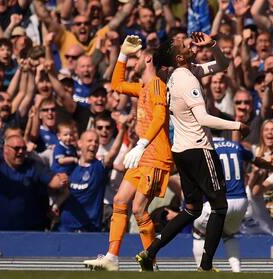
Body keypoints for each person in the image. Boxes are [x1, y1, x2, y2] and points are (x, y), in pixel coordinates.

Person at [135, 32, 249, 272]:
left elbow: (222, 65)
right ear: (178, 56)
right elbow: (203, 118)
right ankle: (206, 266)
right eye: (183, 43)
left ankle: (150, 252)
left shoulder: (184, 73)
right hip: (199, 149)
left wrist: (213, 46)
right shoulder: (187, 79)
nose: (189, 41)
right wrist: (237, 125)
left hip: (182, 151)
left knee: (192, 209)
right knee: (220, 206)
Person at [83, 35, 172, 271]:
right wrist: (121, 54)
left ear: (149, 59)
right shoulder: (144, 86)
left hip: (156, 157)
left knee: (138, 209)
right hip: (142, 157)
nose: (135, 61)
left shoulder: (157, 86)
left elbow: (161, 117)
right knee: (120, 200)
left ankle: (150, 261)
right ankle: (112, 257)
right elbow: (117, 85)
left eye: (138, 58)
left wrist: (141, 144)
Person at [192, 134, 273, 272]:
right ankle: (237, 271)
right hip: (241, 201)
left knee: (198, 231)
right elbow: (256, 160)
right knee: (228, 235)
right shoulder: (236, 146)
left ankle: (201, 269)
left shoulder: (206, 147)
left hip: (221, 201)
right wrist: (271, 166)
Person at [0, 122, 69, 230]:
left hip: (29, 232)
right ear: (5, 149)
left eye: (23, 148)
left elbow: (53, 181)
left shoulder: (33, 166)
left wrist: (61, 180)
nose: (20, 152)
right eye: (16, 148)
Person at [56, 130, 108, 232]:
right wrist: (55, 206)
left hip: (90, 228)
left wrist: (122, 130)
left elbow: (111, 155)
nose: (93, 144)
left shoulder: (98, 167)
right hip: (66, 227)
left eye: (96, 141)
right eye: (90, 141)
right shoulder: (69, 165)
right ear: (80, 143)